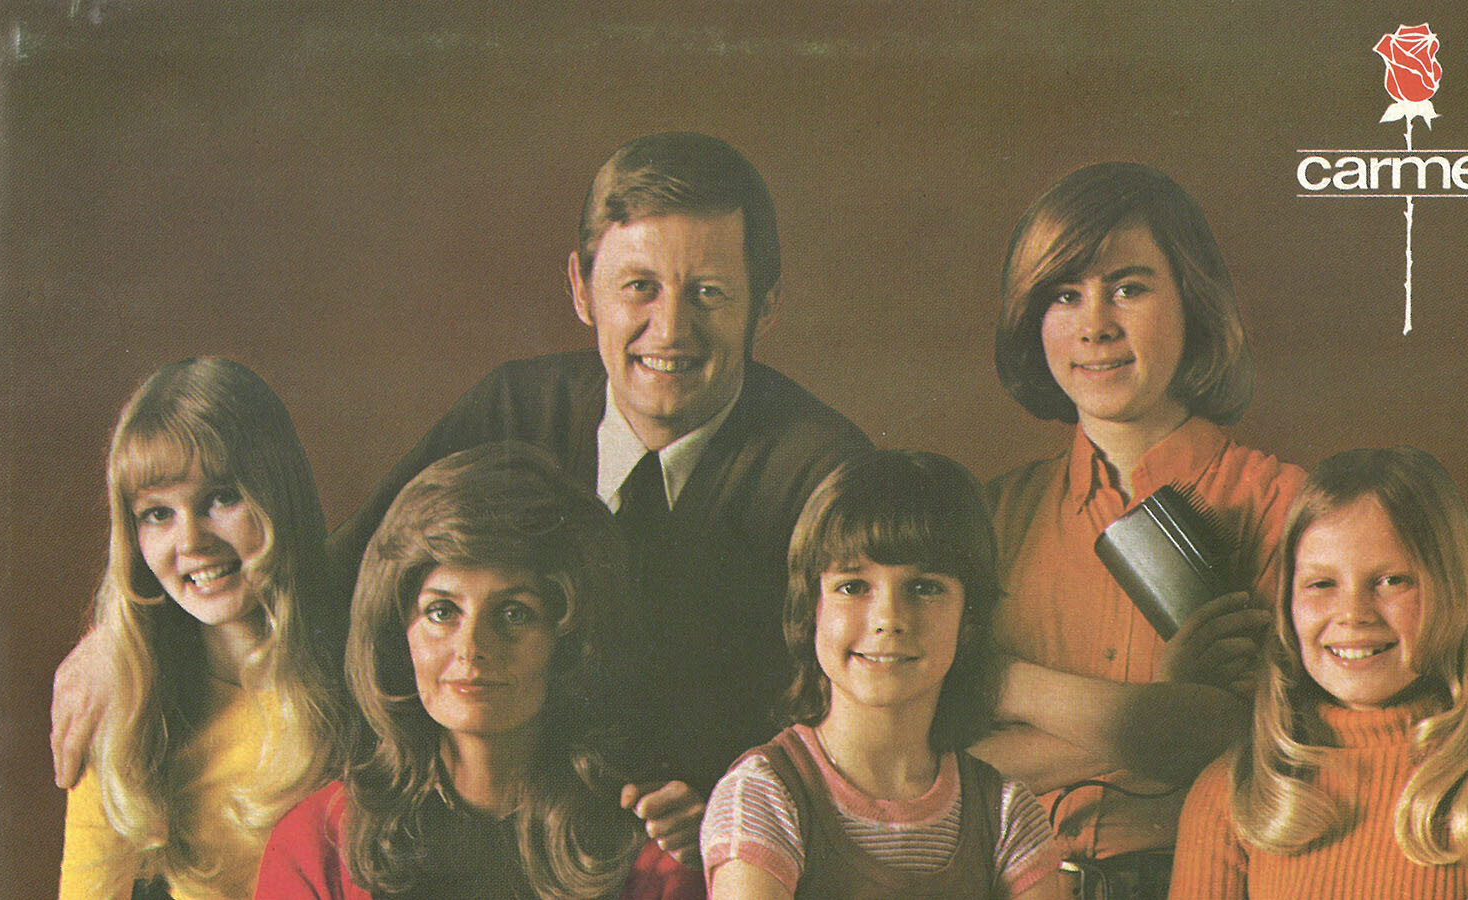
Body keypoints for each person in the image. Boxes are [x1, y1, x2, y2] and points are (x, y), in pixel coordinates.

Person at [53, 132, 871, 798]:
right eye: (639, 287)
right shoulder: (515, 410)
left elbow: (875, 702)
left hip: (709, 850)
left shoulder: (824, 473)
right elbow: (338, 580)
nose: (670, 328)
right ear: (581, 289)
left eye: (710, 294)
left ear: (767, 304)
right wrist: (122, 637)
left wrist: (730, 808)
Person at [973, 162, 1308, 898]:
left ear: (1193, 299)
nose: (1094, 325)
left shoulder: (1288, 508)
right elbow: (939, 765)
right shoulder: (990, 518)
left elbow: (1284, 744)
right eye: (1064, 295)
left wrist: (1006, 686)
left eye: (1129, 288)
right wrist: (1164, 715)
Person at [256, 442, 706, 900]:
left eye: (514, 613)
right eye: (441, 612)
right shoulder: (318, 842)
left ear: (569, 638)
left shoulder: (651, 848)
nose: (472, 649)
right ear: (397, 632)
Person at [1167, 447, 1468, 900]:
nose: (1353, 614)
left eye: (1391, 581)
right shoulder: (1230, 795)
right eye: (1321, 584)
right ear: (1288, 605)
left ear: (1453, 594)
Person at [703, 450, 1062, 900]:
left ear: (968, 618)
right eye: (852, 587)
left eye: (925, 587)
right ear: (810, 609)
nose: (889, 618)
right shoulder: (764, 796)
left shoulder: (1007, 814)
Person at [57, 358, 347, 900]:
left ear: (279, 493)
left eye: (221, 498)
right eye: (157, 514)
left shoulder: (366, 659)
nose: (191, 541)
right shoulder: (127, 710)